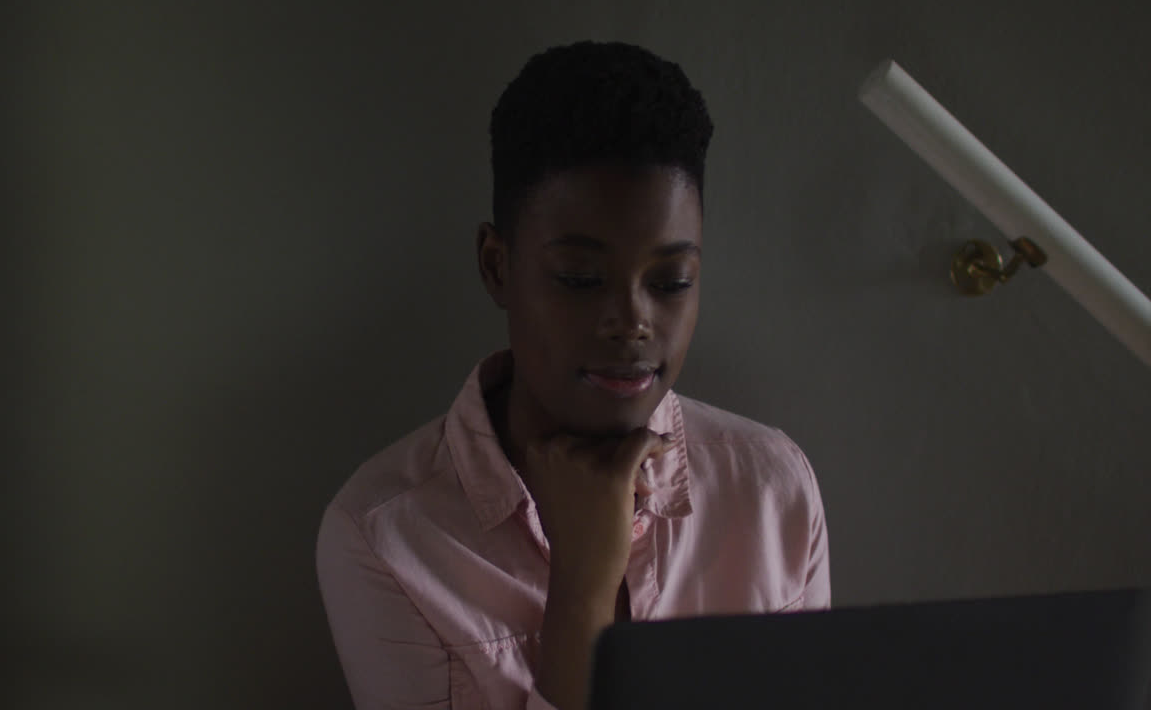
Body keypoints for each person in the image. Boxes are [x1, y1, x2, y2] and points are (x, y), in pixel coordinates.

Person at [316, 40, 830, 710]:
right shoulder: (386, 537)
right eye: (581, 279)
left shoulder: (771, 489)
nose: (632, 322)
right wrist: (583, 588)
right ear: (497, 266)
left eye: (672, 281)